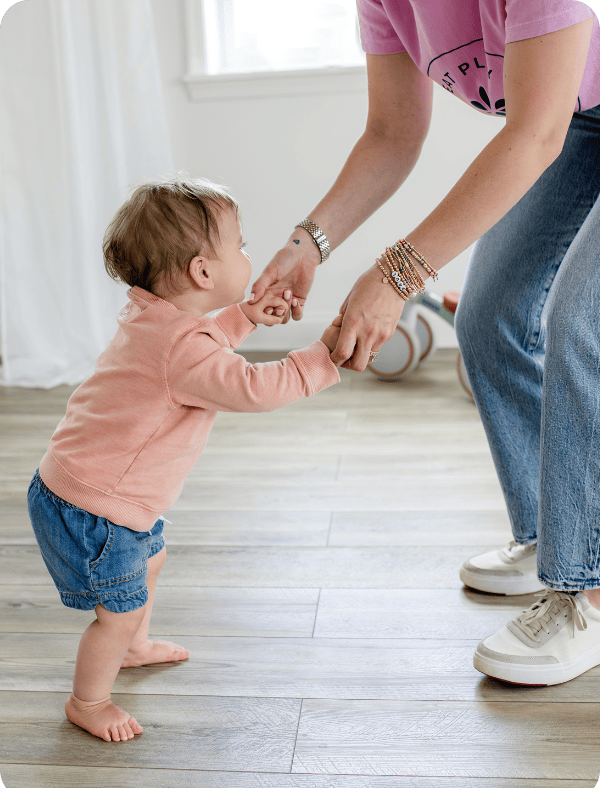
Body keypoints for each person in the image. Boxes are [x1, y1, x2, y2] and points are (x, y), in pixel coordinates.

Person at [249, 0, 600, 686]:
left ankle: (586, 586)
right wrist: (308, 243)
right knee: (488, 317)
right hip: (582, 117)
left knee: (579, 327)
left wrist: (396, 273)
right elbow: (390, 133)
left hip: (555, 122)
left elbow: (531, 135)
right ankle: (557, 533)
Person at [27, 177, 341, 742]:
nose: (249, 254)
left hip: (82, 485)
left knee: (151, 561)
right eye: (241, 246)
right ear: (202, 272)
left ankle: (135, 646)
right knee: (115, 611)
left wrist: (245, 316)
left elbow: (199, 341)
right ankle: (89, 700)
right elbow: (252, 389)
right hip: (98, 507)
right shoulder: (184, 350)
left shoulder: (154, 317)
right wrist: (320, 358)